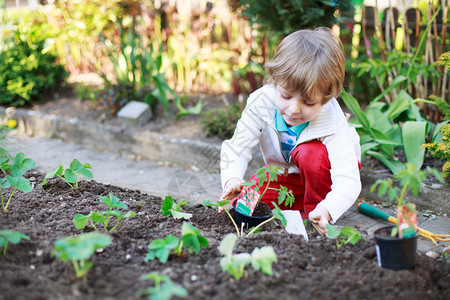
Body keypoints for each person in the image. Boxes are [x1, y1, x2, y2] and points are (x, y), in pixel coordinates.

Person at [219, 27, 361, 236]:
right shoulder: (261, 103)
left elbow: (347, 179)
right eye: (286, 96)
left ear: (326, 99)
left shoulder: (331, 118)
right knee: (246, 202)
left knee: (310, 153)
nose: (294, 109)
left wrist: (329, 208)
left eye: (309, 102)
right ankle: (297, 206)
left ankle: (314, 215)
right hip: (288, 177)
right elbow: (237, 148)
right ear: (275, 82)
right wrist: (232, 179)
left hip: (326, 178)